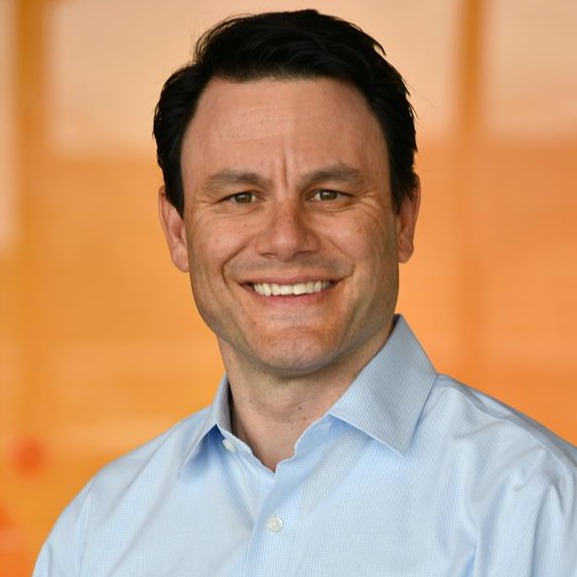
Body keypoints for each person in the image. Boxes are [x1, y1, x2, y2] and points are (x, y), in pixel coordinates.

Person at [34, 10, 577, 577]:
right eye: (241, 197)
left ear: (403, 217)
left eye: (329, 193)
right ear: (178, 231)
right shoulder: (98, 531)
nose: (286, 239)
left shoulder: (540, 506)